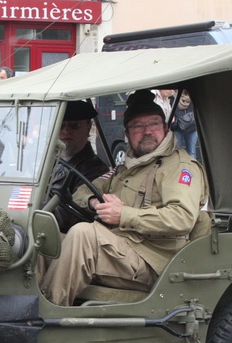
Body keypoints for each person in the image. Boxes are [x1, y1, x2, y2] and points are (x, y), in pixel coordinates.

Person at [39, 90, 208, 306]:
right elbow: (82, 191)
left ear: (166, 128)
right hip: (121, 247)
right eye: (138, 126)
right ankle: (22, 306)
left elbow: (181, 218)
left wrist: (123, 215)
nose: (147, 132)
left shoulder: (179, 168)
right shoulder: (127, 167)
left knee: (83, 234)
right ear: (127, 134)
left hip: (153, 259)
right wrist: (95, 202)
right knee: (44, 239)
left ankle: (46, 312)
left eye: (154, 124)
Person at [52, 100, 109, 232]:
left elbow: (72, 216)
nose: (66, 130)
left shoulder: (95, 169)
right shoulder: (50, 162)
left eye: (74, 125)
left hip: (66, 234)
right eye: (61, 125)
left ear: (88, 127)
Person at [170, 90, 198, 158]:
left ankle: (192, 168)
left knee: (192, 152)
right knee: (176, 152)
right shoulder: (173, 97)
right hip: (177, 128)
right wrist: (175, 123)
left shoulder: (193, 97)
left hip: (192, 128)